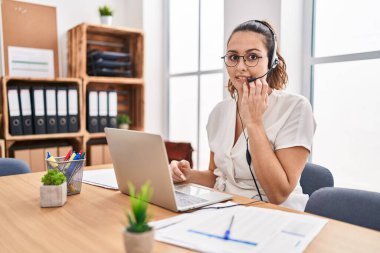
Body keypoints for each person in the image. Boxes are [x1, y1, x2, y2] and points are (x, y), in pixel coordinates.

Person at [170, 20, 315, 211]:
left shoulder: (295, 108)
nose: (240, 67)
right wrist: (187, 176)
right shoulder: (219, 112)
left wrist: (254, 123)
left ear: (271, 62)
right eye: (233, 57)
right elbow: (217, 176)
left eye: (252, 56)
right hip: (224, 208)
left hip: (276, 214)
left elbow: (278, 194)